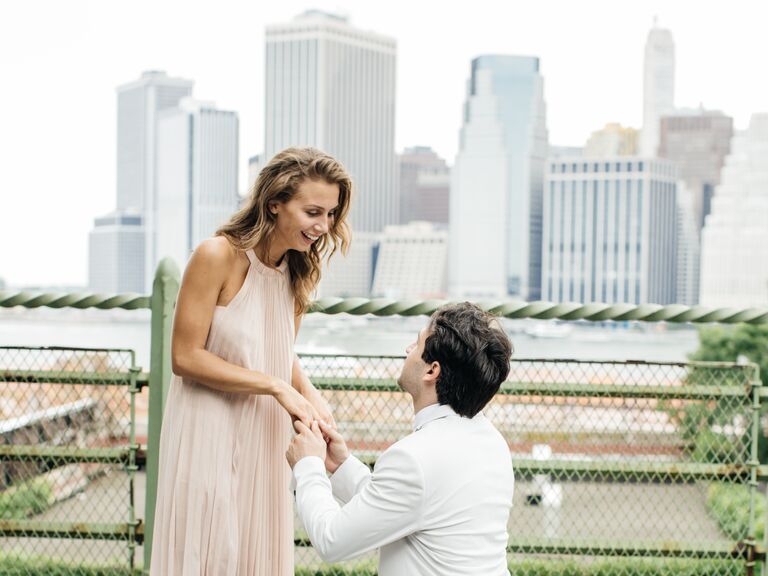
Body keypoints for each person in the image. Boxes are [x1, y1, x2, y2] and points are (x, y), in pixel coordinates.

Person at [151, 147, 352, 575]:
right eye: (313, 211)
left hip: (264, 434)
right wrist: (277, 387)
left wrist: (309, 393)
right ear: (274, 203)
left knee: (253, 555)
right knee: (208, 549)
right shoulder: (216, 256)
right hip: (207, 429)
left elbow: (279, 351)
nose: (324, 226)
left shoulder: (297, 274)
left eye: (331, 214)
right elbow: (184, 357)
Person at [287, 302, 514, 576]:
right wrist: (341, 466)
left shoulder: (414, 458)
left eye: (416, 345)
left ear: (432, 371)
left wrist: (308, 465)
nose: (407, 350)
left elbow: (331, 540)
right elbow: (403, 503)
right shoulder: (493, 442)